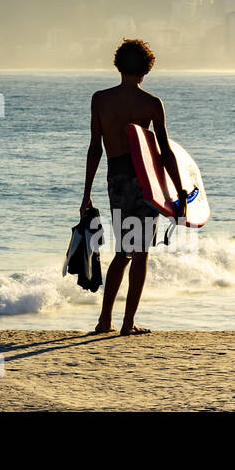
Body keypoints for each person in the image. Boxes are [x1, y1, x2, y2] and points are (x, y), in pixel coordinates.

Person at [79, 38, 187, 336]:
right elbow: (164, 151)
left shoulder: (100, 99)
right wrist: (179, 193)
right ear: (147, 69)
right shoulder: (151, 104)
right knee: (140, 253)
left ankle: (104, 321)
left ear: (118, 65)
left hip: (117, 180)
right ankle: (127, 324)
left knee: (123, 251)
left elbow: (94, 149)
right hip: (146, 182)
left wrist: (86, 193)